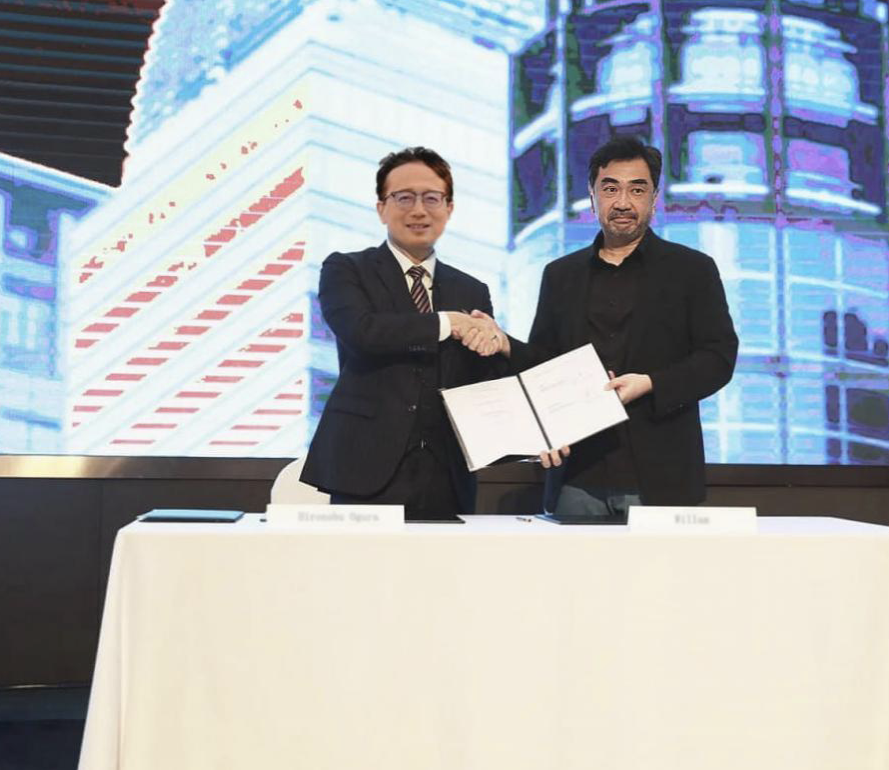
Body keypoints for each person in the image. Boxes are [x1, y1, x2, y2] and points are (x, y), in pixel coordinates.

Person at [492, 135, 738, 515]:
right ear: (593, 197)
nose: (623, 202)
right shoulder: (560, 275)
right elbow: (544, 362)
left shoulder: (692, 270)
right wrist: (506, 344)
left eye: (637, 190)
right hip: (577, 475)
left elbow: (718, 358)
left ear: (654, 199)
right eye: (610, 189)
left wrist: (650, 383)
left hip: (661, 475)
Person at [300, 146, 503, 519]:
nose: (419, 210)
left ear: (449, 208)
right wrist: (448, 323)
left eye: (432, 198)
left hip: (448, 473)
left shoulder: (472, 290)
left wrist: (495, 343)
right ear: (381, 208)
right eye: (404, 198)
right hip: (366, 466)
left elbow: (481, 378)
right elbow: (362, 331)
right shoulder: (346, 269)